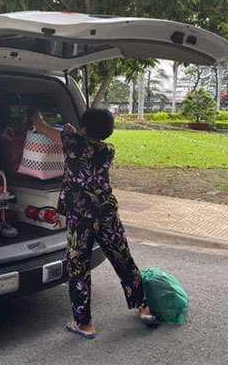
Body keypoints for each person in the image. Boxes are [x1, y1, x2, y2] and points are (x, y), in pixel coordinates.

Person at [32, 108, 158, 339]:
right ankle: (144, 309)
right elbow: (83, 143)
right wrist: (73, 133)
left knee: (79, 267)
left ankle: (84, 325)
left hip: (81, 216)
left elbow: (41, 127)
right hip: (107, 213)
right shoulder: (107, 150)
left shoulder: (72, 142)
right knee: (123, 259)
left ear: (84, 127)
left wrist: (33, 112)